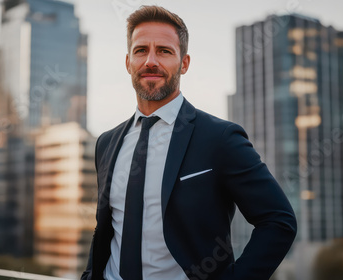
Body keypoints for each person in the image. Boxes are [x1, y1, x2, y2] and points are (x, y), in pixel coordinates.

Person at [82, 5, 297, 280]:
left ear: (184, 63)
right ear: (128, 63)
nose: (151, 61)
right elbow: (107, 227)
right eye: (140, 50)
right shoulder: (107, 143)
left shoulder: (220, 138)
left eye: (164, 51)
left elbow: (279, 221)